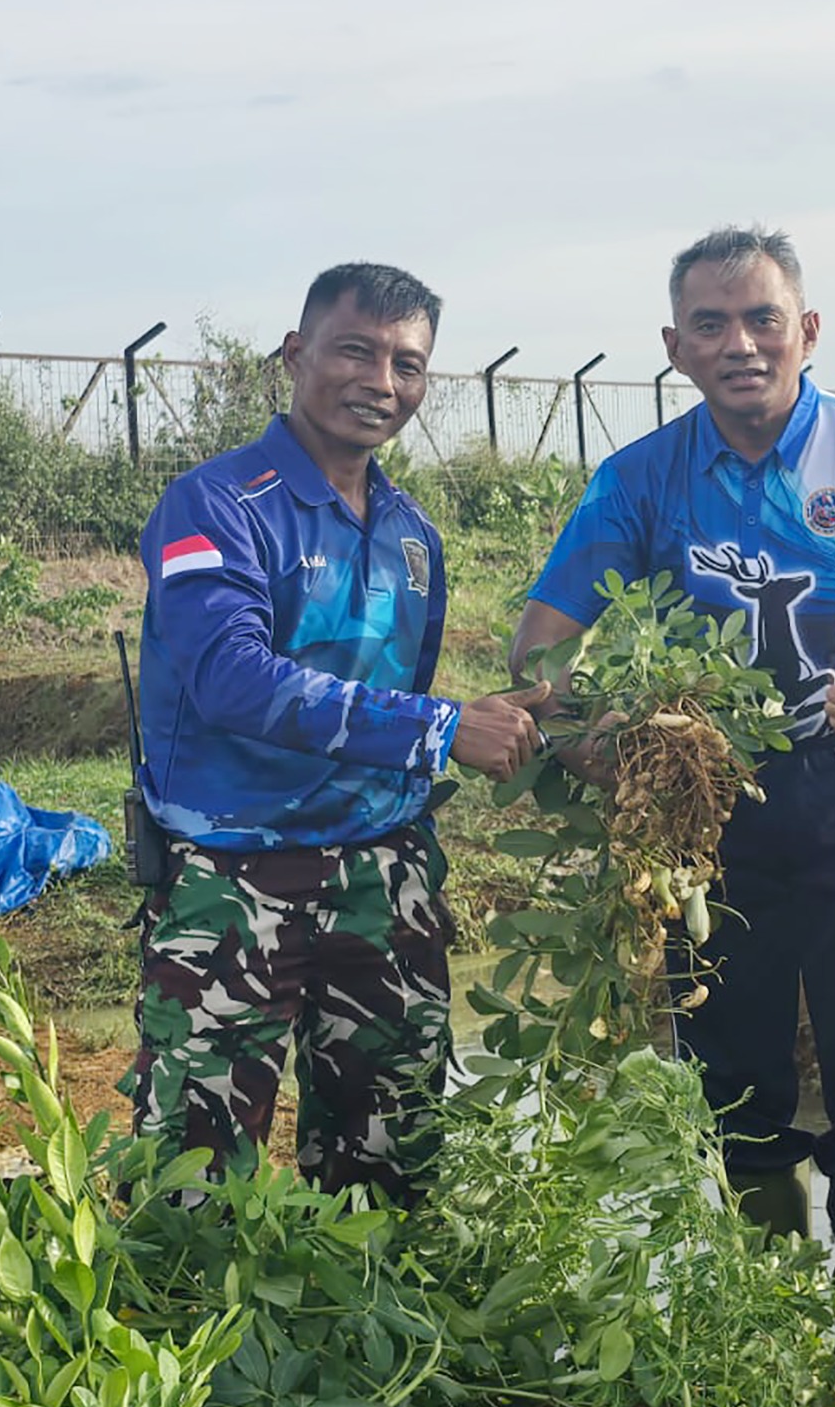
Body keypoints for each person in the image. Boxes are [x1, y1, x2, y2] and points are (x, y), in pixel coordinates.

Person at [511, 225, 835, 1407]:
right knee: (732, 1074)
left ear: (806, 331)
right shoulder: (641, 479)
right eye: (710, 325)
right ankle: (772, 1322)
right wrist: (589, 734)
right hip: (709, 817)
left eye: (762, 318)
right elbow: (543, 646)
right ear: (675, 348)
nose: (740, 344)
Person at [125, 261, 546, 1205]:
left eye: (408, 364)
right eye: (356, 351)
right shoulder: (216, 504)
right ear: (295, 354)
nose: (381, 382)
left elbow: (392, 701)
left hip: (384, 881)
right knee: (192, 1176)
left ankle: (369, 1301)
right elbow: (231, 680)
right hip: (232, 881)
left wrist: (526, 725)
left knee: (391, 1166)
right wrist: (442, 728)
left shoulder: (412, 534)